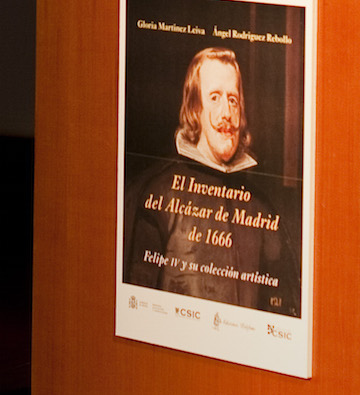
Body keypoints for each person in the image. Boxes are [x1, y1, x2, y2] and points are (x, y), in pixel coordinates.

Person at [124, 47, 296, 313]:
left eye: (233, 100)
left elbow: (283, 306)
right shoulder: (157, 195)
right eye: (214, 98)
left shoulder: (261, 208)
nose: (227, 112)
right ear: (195, 108)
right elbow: (136, 306)